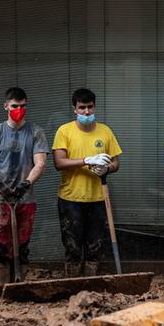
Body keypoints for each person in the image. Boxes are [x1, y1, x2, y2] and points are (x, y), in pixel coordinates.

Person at [0, 87, 48, 293]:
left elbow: (40, 163)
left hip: (24, 199)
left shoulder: (36, 132)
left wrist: (25, 184)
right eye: (15, 106)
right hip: (0, 199)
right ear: (6, 106)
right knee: (0, 245)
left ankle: (19, 287)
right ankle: (2, 289)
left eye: (23, 106)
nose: (19, 109)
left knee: (22, 244)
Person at [52, 88, 122, 277]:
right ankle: (73, 284)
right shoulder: (64, 131)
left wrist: (107, 168)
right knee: (72, 248)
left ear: (95, 107)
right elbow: (59, 162)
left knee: (95, 248)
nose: (86, 112)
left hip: (98, 199)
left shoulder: (105, 131)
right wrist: (87, 160)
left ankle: (92, 286)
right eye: (82, 108)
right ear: (74, 108)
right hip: (70, 199)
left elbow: (116, 163)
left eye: (90, 107)